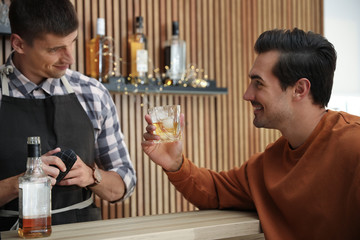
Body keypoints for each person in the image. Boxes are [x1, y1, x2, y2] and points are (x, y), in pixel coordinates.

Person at [142, 28, 360, 239]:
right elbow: (215, 191)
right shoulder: (269, 163)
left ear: (300, 89)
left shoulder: (354, 148)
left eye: (258, 83)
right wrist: (175, 164)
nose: (247, 94)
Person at [0, 0, 136, 230]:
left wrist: (93, 176)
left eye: (72, 42)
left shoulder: (92, 93)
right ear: (19, 44)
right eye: (54, 49)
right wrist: (22, 181)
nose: (69, 58)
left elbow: (123, 185)